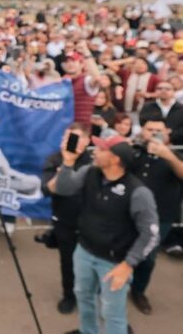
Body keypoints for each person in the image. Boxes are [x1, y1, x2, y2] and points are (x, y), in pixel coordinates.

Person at [55, 134, 160, 334]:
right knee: (84, 298)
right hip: (84, 252)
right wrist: (68, 163)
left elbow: (151, 234)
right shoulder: (89, 172)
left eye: (102, 149)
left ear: (115, 159)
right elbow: (64, 189)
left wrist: (128, 265)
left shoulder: (138, 193)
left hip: (114, 264)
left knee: (112, 313)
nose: (95, 151)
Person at [127, 117, 183, 314]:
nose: (154, 133)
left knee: (148, 257)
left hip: (161, 216)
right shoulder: (134, 151)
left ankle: (138, 291)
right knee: (120, 251)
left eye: (159, 130)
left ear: (167, 133)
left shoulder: (176, 153)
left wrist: (168, 156)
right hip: (128, 214)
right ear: (143, 131)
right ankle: (117, 283)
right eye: (150, 129)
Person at [40, 123, 93, 314]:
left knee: (93, 263)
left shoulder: (95, 161)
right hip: (65, 221)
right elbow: (47, 189)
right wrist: (66, 163)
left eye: (75, 138)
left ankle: (92, 297)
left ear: (87, 141)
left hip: (92, 223)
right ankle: (69, 296)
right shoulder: (54, 159)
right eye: (67, 137)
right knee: (68, 262)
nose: (69, 142)